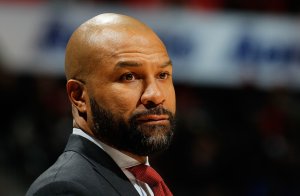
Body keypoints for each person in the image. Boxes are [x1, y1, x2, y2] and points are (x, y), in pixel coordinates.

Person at [26, 13, 176, 196]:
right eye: (129, 77)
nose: (156, 95)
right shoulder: (65, 190)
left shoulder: (144, 181)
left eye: (163, 75)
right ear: (79, 96)